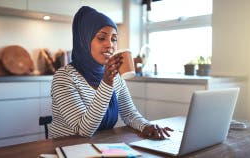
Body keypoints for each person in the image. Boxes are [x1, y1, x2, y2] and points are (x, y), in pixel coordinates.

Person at [49, 6, 172, 140]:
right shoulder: (64, 77)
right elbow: (84, 130)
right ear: (84, 40)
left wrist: (147, 126)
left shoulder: (115, 77)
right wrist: (106, 82)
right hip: (66, 147)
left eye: (113, 39)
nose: (110, 45)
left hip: (101, 146)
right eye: (102, 38)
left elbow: (129, 114)